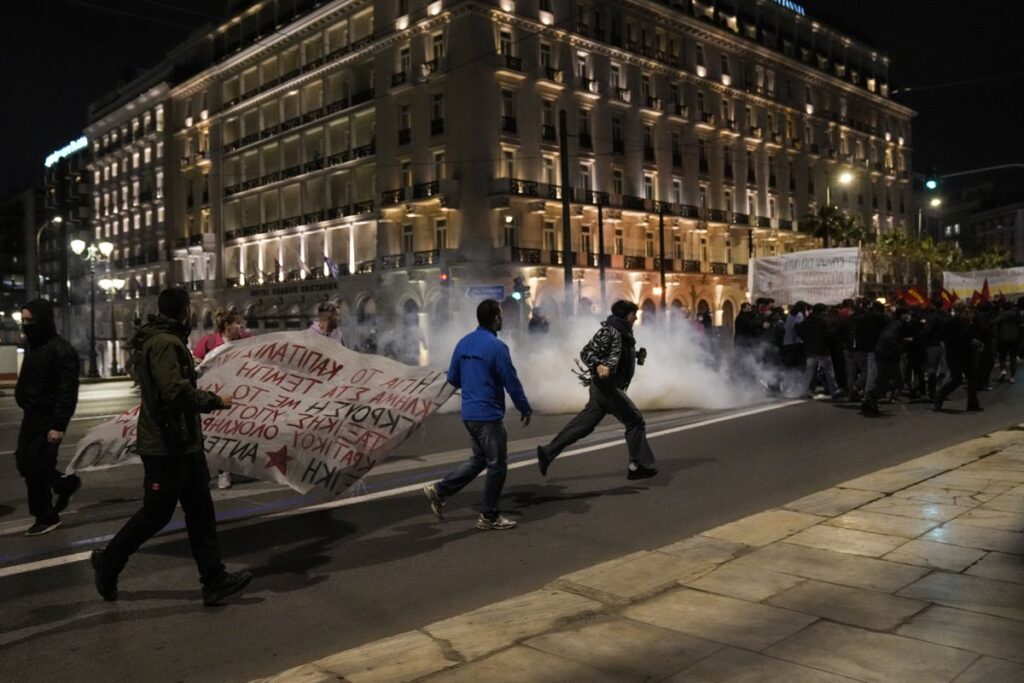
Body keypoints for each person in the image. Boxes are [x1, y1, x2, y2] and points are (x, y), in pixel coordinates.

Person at [90, 287, 252, 606]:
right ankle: (109, 560)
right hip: (166, 445)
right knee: (157, 513)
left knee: (201, 511)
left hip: (183, 443)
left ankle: (214, 579)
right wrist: (215, 401)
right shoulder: (165, 342)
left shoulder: (169, 338)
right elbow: (174, 392)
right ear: (185, 310)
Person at [422, 299, 531, 530]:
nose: (502, 319)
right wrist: (524, 407)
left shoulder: (463, 343)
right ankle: (489, 516)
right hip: (488, 416)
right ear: (495, 319)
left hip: (469, 414)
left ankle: (440, 490)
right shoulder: (496, 347)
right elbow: (510, 381)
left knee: (480, 459)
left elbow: (453, 378)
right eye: (500, 315)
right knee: (497, 466)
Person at [536, 300, 658, 480]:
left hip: (605, 388)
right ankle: (637, 465)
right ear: (625, 315)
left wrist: (636, 355)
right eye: (634, 314)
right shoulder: (610, 330)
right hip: (606, 388)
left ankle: (548, 453)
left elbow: (617, 356)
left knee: (583, 425)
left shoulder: (624, 333)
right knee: (635, 421)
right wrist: (599, 365)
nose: (636, 317)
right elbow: (586, 352)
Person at [15, 299, 81, 536]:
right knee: (24, 463)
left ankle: (46, 516)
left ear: (43, 320)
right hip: (31, 415)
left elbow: (68, 391)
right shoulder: (33, 346)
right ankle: (64, 483)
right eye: (24, 320)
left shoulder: (60, 350)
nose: (26, 325)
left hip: (48, 417)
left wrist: (58, 425)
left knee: (36, 468)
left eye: (31, 321)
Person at [193, 309, 245, 489]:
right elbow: (196, 362)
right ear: (227, 326)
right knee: (221, 433)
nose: (241, 327)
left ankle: (233, 466)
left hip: (237, 392)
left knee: (235, 432)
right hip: (215, 395)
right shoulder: (208, 341)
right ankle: (224, 472)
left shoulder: (245, 340)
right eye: (238, 323)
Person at [934, 302, 983, 412]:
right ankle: (972, 404)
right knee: (971, 379)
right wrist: (977, 343)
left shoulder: (949, 322)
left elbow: (944, 338)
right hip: (965, 355)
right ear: (964, 311)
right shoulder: (965, 323)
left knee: (957, 379)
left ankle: (940, 396)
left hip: (953, 355)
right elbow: (967, 338)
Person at [796, 303, 840, 398]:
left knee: (809, 372)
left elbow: (797, 328)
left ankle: (804, 391)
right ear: (822, 311)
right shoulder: (824, 320)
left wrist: (805, 338)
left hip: (810, 349)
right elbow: (829, 334)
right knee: (828, 371)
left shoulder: (807, 319)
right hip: (822, 349)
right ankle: (834, 391)